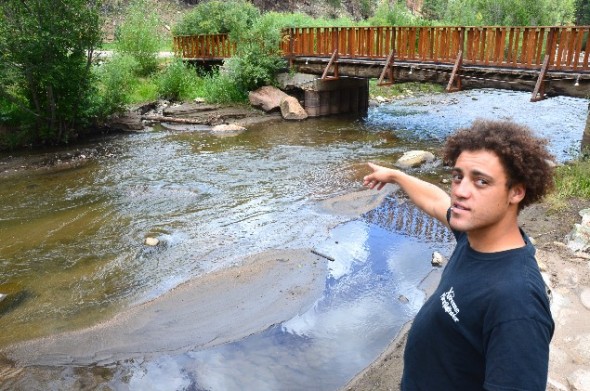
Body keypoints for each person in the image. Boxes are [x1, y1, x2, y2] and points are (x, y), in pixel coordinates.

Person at [363, 119, 555, 390]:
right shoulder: (474, 236)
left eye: (481, 181)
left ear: (516, 192)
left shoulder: (517, 301)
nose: (460, 192)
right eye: (458, 176)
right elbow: (435, 201)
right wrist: (396, 176)